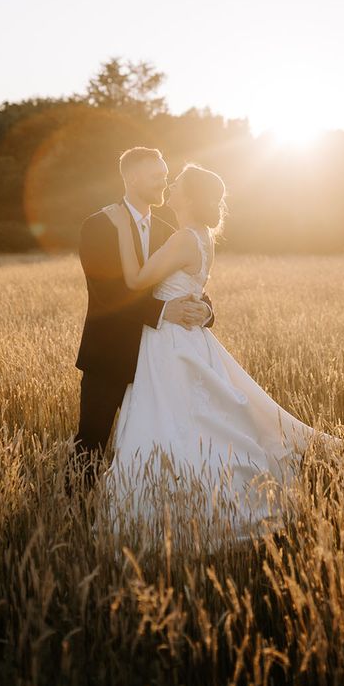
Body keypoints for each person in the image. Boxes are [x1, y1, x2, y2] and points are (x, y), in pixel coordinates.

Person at [99, 162, 342, 545]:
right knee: (194, 420)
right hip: (188, 340)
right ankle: (197, 501)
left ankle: (178, 509)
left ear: (189, 196)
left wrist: (121, 231)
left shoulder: (182, 238)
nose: (170, 184)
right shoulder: (201, 237)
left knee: (171, 420)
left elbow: (133, 281)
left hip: (171, 344)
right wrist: (203, 310)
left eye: (177, 182)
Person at [71, 147, 215, 488]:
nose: (164, 183)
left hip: (159, 358)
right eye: (157, 177)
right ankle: (73, 511)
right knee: (91, 440)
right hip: (109, 353)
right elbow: (106, 292)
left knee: (158, 438)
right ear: (133, 177)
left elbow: (188, 283)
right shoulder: (99, 225)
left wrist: (206, 311)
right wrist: (163, 311)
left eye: (167, 177)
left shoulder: (171, 231)